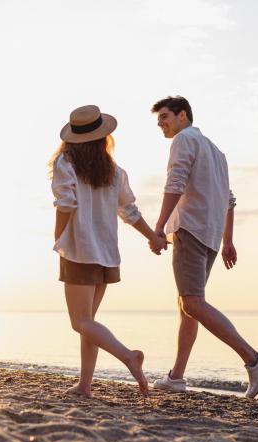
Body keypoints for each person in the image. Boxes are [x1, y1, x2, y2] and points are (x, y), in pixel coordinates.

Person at [148, 96, 258, 398]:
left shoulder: (183, 140)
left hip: (191, 230)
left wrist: (159, 226)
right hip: (210, 236)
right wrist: (227, 239)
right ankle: (176, 377)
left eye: (165, 117)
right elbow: (228, 198)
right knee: (187, 307)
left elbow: (175, 183)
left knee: (192, 303)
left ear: (183, 115)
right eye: (158, 121)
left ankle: (253, 359)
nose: (161, 124)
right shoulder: (218, 153)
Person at [50, 104, 166, 397]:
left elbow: (65, 204)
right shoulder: (114, 171)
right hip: (106, 254)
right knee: (89, 322)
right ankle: (85, 385)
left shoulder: (66, 163)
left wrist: (58, 235)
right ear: (103, 138)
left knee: (81, 322)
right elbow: (129, 211)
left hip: (79, 249)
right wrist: (152, 236)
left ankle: (129, 356)